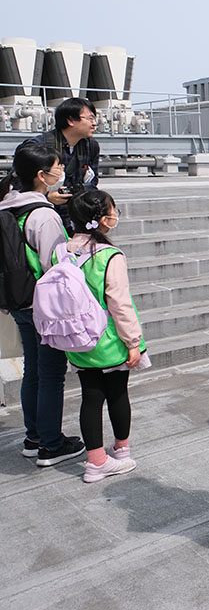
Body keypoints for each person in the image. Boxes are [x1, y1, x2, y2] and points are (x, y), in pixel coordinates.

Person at [0, 143, 83, 466]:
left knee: (33, 370)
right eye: (57, 166)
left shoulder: (8, 206)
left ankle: (33, 437)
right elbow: (56, 267)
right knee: (51, 374)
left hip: (16, 301)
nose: (60, 171)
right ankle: (51, 443)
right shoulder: (43, 215)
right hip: (43, 306)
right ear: (41, 174)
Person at [62, 190, 146, 482]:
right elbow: (120, 304)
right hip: (108, 338)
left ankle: (95, 458)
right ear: (100, 220)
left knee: (91, 396)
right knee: (118, 392)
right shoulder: (109, 255)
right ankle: (120, 451)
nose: (115, 215)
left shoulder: (62, 250)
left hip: (75, 337)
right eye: (113, 210)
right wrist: (133, 342)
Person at [19, 97, 101, 232]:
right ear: (70, 120)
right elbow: (18, 184)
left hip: (75, 218)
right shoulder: (39, 146)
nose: (94, 124)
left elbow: (93, 181)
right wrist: (46, 197)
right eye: (90, 118)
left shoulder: (91, 146)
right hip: (42, 218)